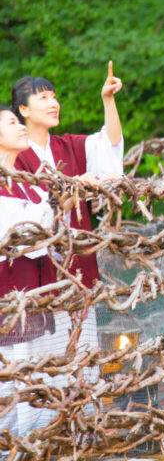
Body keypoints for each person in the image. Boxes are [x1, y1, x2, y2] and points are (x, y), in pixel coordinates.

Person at [11, 61, 124, 288]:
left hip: (78, 260)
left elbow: (109, 142)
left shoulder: (69, 145)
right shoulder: (14, 157)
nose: (54, 104)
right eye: (43, 98)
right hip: (35, 267)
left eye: (54, 97)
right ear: (24, 110)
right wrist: (72, 189)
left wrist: (108, 100)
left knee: (83, 319)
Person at [0, 105, 61, 436]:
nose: (21, 126)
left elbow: (43, 234)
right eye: (12, 122)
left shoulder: (26, 182)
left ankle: (35, 442)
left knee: (35, 373)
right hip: (7, 293)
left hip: (32, 289)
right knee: (12, 378)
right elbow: (18, 237)